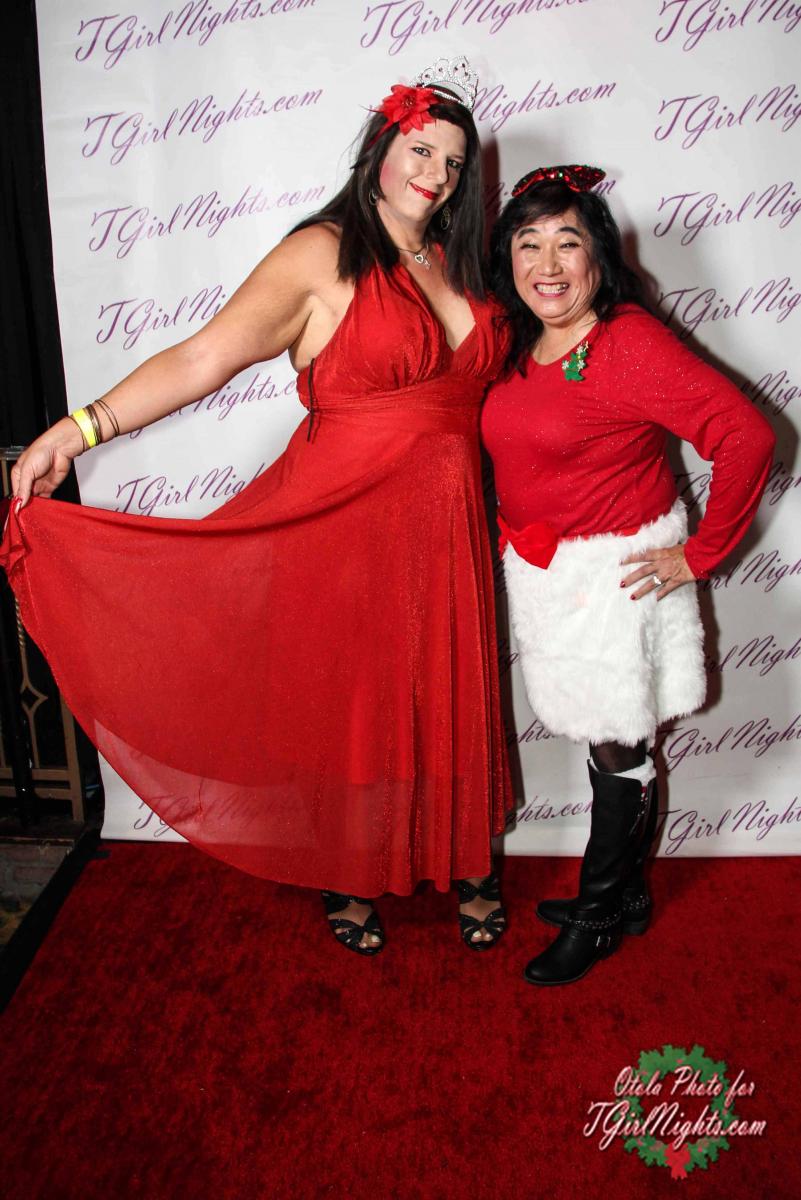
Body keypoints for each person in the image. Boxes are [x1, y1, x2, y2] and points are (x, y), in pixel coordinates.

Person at [0, 57, 511, 956]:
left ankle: (464, 856)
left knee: (446, 690)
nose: (435, 173)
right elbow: (205, 358)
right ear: (379, 149)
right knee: (351, 704)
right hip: (341, 524)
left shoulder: (458, 260)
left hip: (447, 530)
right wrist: (77, 431)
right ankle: (346, 868)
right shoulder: (321, 253)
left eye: (453, 161)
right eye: (420, 149)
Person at [481, 164, 776, 986]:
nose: (547, 263)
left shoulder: (625, 341)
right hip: (549, 574)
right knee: (607, 736)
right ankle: (630, 894)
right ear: (507, 257)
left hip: (613, 581)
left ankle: (602, 910)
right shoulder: (521, 341)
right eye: (528, 243)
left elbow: (745, 437)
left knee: (618, 745)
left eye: (566, 242)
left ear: (597, 256)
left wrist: (698, 554)